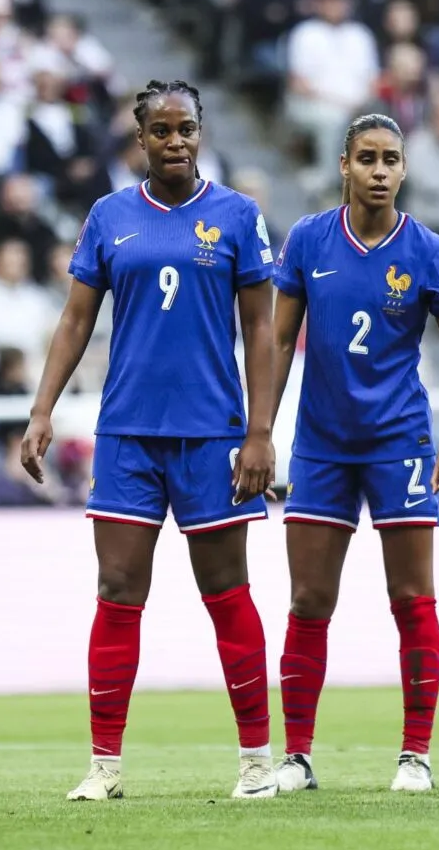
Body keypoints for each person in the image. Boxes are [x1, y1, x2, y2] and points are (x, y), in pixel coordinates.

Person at [20, 80, 279, 801]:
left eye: (185, 128)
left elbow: (261, 327)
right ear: (140, 140)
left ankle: (257, 761)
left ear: (201, 132)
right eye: (160, 130)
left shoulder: (237, 215)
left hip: (213, 434)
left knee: (227, 592)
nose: (174, 141)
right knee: (116, 591)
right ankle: (104, 766)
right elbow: (76, 319)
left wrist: (260, 431)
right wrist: (42, 410)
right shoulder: (109, 216)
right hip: (128, 432)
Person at [269, 114, 439, 794]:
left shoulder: (429, 251)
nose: (379, 170)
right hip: (322, 444)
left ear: (405, 170)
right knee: (308, 599)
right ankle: (297, 756)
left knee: (412, 597)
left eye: (391, 159)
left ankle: (415, 755)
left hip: (399, 444)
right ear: (344, 166)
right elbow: (278, 342)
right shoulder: (308, 240)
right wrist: (258, 432)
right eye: (367, 158)